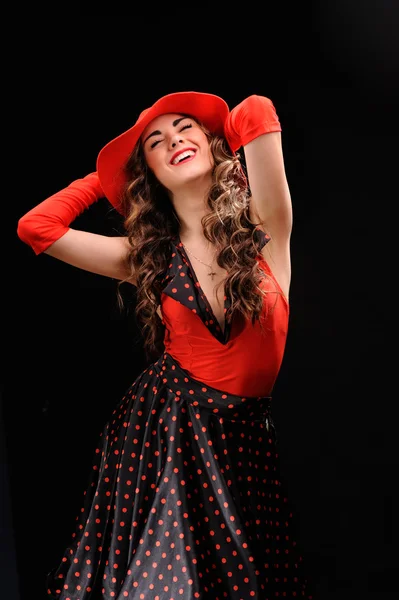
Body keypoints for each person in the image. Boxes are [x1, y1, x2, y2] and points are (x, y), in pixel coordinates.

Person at [17, 90, 314, 599]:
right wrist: (107, 179)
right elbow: (36, 227)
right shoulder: (145, 259)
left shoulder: (266, 226)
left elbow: (256, 112)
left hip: (243, 443)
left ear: (211, 142)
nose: (174, 139)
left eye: (184, 128)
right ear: (148, 172)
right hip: (167, 433)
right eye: (156, 142)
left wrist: (219, 130)